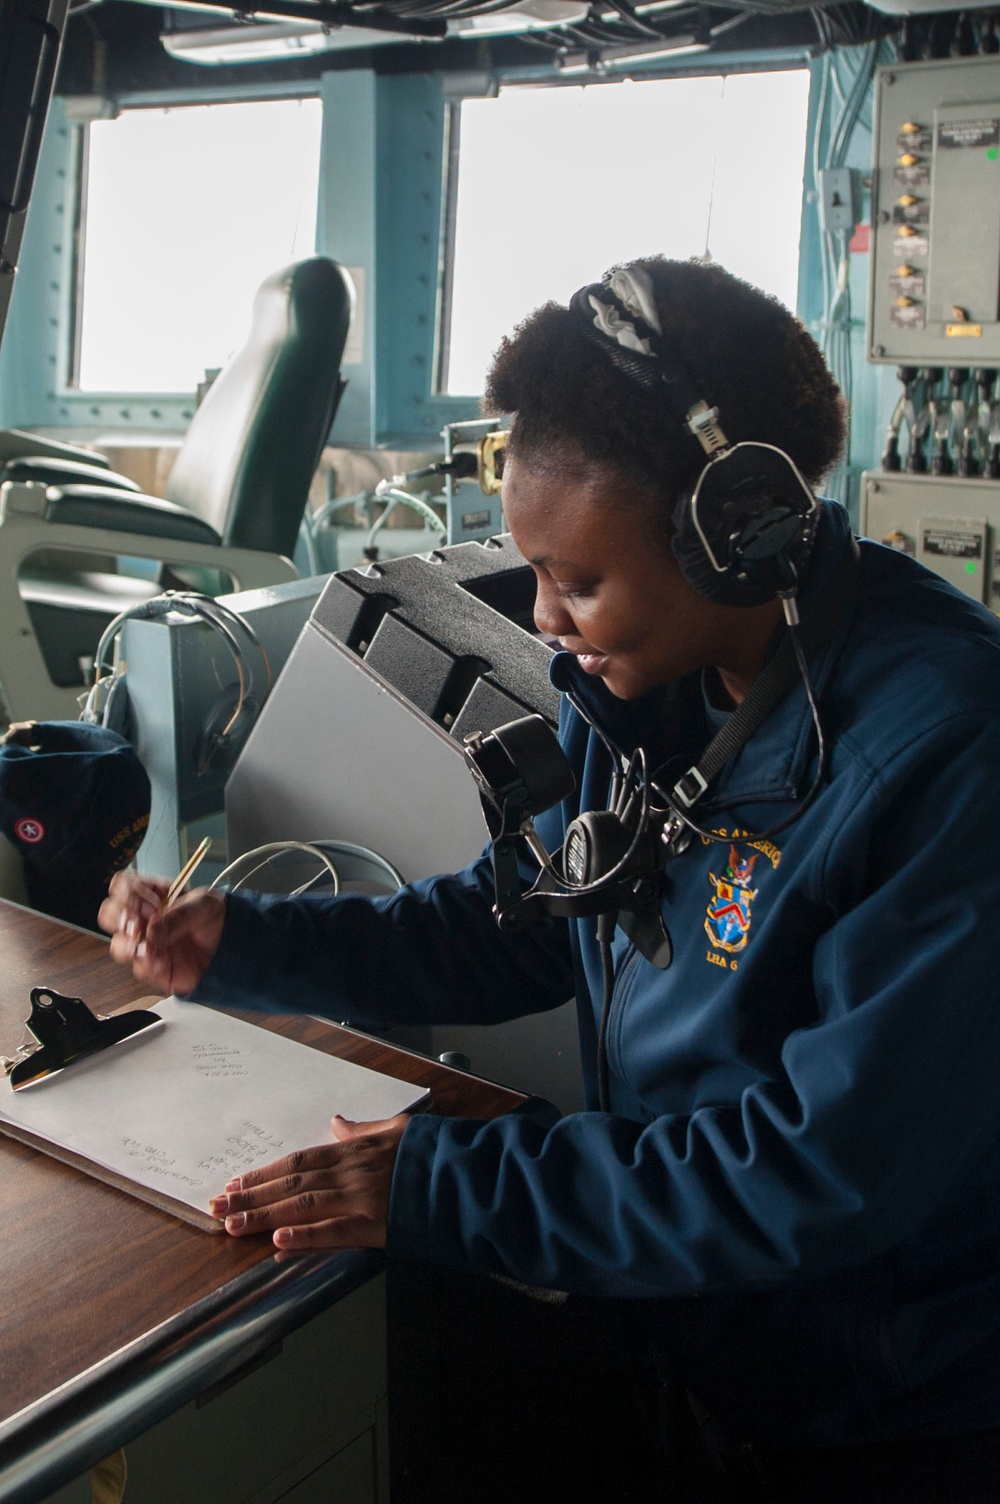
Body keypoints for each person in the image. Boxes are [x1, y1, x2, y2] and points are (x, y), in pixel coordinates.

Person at [101, 258, 1000, 1502]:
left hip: (878, 1414)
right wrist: (241, 944)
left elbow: (820, 1166)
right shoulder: (642, 694)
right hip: (687, 1334)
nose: (544, 619)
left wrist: (443, 1188)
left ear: (735, 535)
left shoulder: (943, 747)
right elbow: (519, 917)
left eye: (577, 581)